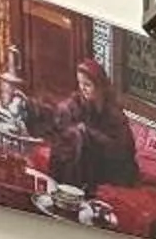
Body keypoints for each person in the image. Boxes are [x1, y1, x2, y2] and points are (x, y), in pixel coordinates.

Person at [37, 58, 142, 194]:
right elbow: (61, 134)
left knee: (81, 135)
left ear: (100, 87)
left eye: (87, 84)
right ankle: (64, 188)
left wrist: (90, 135)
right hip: (81, 161)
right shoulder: (75, 103)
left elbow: (124, 150)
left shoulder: (113, 112)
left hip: (109, 165)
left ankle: (75, 190)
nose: (83, 89)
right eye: (80, 83)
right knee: (74, 136)